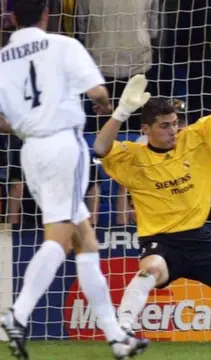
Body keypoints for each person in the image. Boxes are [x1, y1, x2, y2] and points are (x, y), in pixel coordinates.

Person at [92, 35, 211, 347]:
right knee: (148, 271)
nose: (174, 130)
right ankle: (123, 330)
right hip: (161, 242)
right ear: (146, 130)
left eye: (175, 123)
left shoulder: (196, 138)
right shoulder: (132, 156)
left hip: (200, 241)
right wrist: (120, 113)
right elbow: (101, 147)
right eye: (165, 126)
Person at [0, 1, 147, 359]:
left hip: (30, 151)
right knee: (60, 237)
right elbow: (98, 91)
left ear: (12, 16)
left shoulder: (2, 59)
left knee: (86, 244)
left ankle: (116, 337)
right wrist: (105, 105)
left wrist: (25, 123)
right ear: (47, 14)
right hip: (64, 145)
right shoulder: (62, 45)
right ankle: (16, 315)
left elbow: (2, 120)